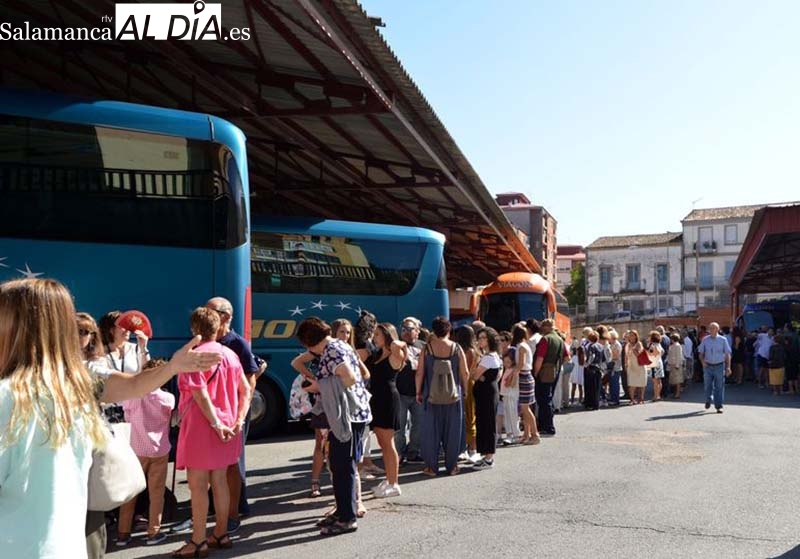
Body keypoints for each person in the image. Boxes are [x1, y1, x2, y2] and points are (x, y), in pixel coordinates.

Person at [0, 279, 221, 559]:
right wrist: (174, 366)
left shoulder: (11, 396)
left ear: (12, 328)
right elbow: (132, 385)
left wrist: (174, 366)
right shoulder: (75, 384)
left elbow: (131, 385)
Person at [172, 307, 252, 558]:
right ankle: (220, 532)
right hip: (230, 425)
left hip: (202, 425)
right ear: (218, 327)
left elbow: (199, 392)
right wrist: (238, 419)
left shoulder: (193, 355)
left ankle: (197, 541)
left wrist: (216, 423)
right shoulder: (229, 354)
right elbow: (246, 390)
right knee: (220, 481)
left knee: (197, 486)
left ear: (194, 329)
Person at [297, 317, 372, 536]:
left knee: (343, 466)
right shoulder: (339, 345)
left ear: (309, 342)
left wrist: (318, 385)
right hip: (350, 414)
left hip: (349, 416)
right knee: (339, 465)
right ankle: (342, 511)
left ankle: (347, 518)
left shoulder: (332, 350)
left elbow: (348, 379)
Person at [206, 297, 266, 527]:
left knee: (232, 462)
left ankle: (234, 512)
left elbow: (250, 382)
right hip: (211, 412)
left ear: (225, 316)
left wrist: (240, 415)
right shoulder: (203, 341)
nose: (205, 315)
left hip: (232, 412)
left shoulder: (237, 344)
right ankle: (217, 507)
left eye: (209, 311)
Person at [116, 358, 175, 546]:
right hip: (159, 450)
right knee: (156, 493)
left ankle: (123, 533)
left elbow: (126, 415)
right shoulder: (167, 399)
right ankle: (153, 532)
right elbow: (172, 419)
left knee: (131, 492)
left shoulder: (133, 397)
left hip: (136, 450)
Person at [416, 316, 469, 476]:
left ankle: (431, 467)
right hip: (453, 395)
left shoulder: (427, 349)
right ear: (449, 330)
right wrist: (465, 390)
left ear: (434, 330)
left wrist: (418, 391)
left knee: (431, 430)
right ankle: (452, 466)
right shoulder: (457, 348)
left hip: (430, 395)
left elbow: (419, 373)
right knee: (452, 430)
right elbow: (465, 372)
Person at [363, 323, 406, 498]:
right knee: (382, 444)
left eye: (378, 334)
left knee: (388, 444)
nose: (375, 337)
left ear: (388, 335)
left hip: (388, 400)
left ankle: (394, 483)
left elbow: (402, 347)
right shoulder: (377, 354)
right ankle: (389, 479)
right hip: (376, 400)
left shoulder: (395, 355)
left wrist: (397, 343)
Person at [471, 328, 502, 469]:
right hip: (489, 392)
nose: (480, 340)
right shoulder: (494, 356)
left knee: (487, 423)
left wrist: (482, 376)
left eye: (483, 337)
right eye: (479, 337)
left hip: (486, 394)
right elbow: (496, 375)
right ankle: (486, 455)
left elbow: (474, 375)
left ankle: (489, 457)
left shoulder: (488, 357)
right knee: (485, 422)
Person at [395, 317, 425, 464]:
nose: (406, 332)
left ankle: (413, 452)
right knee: (399, 427)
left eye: (410, 329)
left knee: (418, 425)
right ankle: (398, 455)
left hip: (418, 393)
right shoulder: (395, 346)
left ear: (417, 332)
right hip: (400, 393)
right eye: (404, 329)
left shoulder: (424, 346)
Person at [533, 319, 568, 433]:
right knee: (549, 397)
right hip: (555, 370)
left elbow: (540, 359)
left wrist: (535, 373)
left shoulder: (546, 339)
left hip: (544, 371)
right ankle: (548, 425)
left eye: (542, 327)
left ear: (546, 327)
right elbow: (567, 358)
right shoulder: (560, 340)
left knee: (543, 399)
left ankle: (547, 426)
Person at [453, 325, 480, 461]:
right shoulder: (474, 350)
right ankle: (469, 447)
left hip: (466, 384)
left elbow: (466, 372)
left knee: (468, 416)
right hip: (470, 384)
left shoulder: (467, 351)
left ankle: (471, 448)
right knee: (469, 416)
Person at [511, 324, 539, 443]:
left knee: (525, 408)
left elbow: (520, 364)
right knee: (525, 408)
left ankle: (535, 434)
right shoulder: (524, 345)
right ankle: (526, 434)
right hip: (526, 376)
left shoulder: (521, 347)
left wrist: (513, 377)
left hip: (524, 376)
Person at [697, 322, 732, 413]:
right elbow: (700, 353)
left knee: (719, 386)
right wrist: (703, 362)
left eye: (713, 328)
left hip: (719, 366)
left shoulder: (723, 340)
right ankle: (708, 399)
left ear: (718, 329)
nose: (711, 330)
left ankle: (718, 406)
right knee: (707, 385)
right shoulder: (705, 340)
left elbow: (728, 354)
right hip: (708, 366)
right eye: (710, 328)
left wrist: (728, 367)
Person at [625, 330, 647, 405]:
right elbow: (626, 356)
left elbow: (639, 355)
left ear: (636, 336)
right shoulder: (627, 345)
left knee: (641, 383)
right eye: (630, 335)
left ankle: (641, 398)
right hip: (631, 365)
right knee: (632, 383)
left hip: (640, 365)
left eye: (633, 335)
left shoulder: (639, 344)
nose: (631, 337)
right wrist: (626, 364)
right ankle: (632, 399)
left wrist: (634, 350)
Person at [646, 331, 665, 402]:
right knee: (659, 381)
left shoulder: (652, 345)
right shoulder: (659, 344)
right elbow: (662, 352)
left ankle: (655, 396)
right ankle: (658, 395)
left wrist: (648, 353)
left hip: (654, 363)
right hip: (659, 362)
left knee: (655, 381)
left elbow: (652, 353)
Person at [667, 333, 684, 399]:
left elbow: (679, 356)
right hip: (672, 364)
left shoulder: (678, 346)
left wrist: (677, 365)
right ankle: (675, 393)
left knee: (677, 380)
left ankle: (677, 394)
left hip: (676, 365)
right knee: (673, 380)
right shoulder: (672, 346)